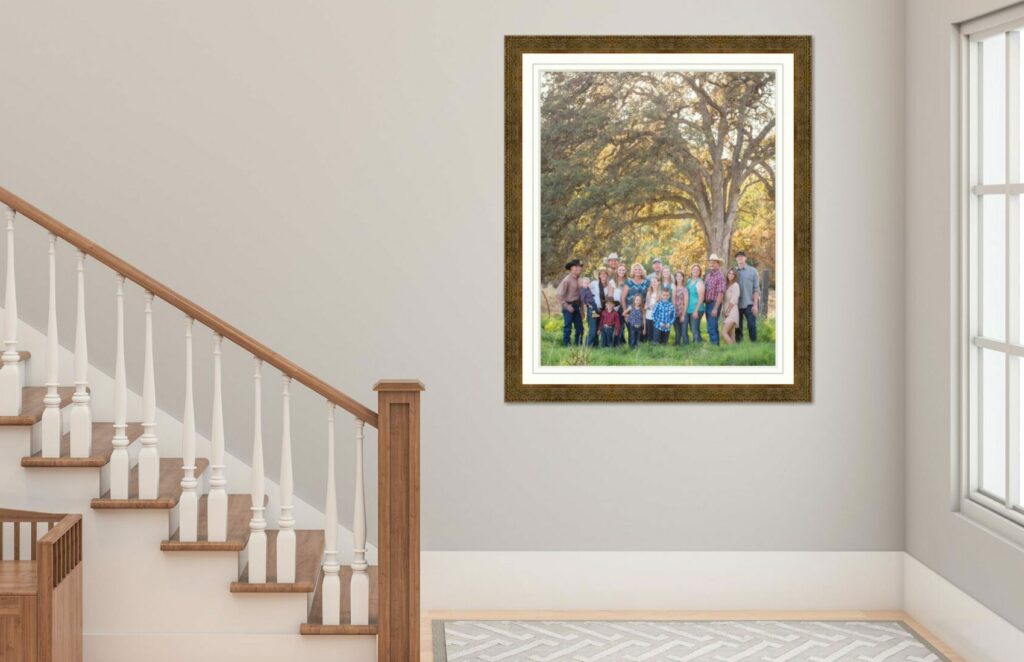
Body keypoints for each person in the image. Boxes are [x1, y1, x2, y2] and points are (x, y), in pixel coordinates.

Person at [734, 251, 761, 343]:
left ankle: (753, 343)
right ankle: (739, 344)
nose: (740, 258)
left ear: (745, 258)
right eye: (738, 257)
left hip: (749, 303)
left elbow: (756, 289)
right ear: (736, 259)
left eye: (742, 256)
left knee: (751, 325)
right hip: (736, 304)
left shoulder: (753, 271)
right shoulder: (733, 271)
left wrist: (755, 305)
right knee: (738, 326)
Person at [556, 258, 584, 346]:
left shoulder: (580, 280)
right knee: (568, 327)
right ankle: (566, 345)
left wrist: (582, 310)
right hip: (568, 306)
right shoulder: (566, 280)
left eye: (579, 267)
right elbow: (559, 294)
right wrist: (567, 306)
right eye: (576, 267)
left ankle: (578, 345)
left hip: (577, 306)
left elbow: (580, 296)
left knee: (580, 328)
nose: (578, 268)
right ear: (571, 268)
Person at [703, 253, 726, 346]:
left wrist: (716, 308)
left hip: (714, 304)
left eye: (714, 263)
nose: (711, 264)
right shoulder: (709, 275)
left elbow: (721, 293)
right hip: (708, 304)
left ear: (718, 264)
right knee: (712, 326)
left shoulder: (719, 276)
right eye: (710, 262)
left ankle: (714, 346)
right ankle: (715, 344)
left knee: (711, 327)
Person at [587, 268, 610, 347]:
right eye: (601, 274)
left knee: (598, 329)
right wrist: (589, 301)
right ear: (599, 276)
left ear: (607, 276)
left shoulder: (608, 286)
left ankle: (595, 347)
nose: (603, 275)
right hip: (594, 310)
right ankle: (587, 346)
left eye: (605, 274)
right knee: (593, 329)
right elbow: (586, 289)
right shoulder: (594, 283)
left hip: (602, 310)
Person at [686, 264, 705, 344]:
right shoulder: (689, 281)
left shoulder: (699, 282)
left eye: (697, 270)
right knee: (693, 328)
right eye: (694, 269)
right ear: (691, 270)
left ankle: (697, 345)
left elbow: (701, 298)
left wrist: (696, 310)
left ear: (700, 272)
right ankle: (698, 342)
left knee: (694, 329)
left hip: (697, 309)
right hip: (689, 309)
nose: (695, 271)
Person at [721, 268, 740, 345]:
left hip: (732, 311)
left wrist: (728, 311)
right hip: (726, 309)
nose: (730, 275)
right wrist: (724, 310)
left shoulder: (735, 285)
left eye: (732, 274)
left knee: (724, 332)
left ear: (735, 276)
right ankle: (735, 352)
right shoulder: (726, 285)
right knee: (731, 334)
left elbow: (734, 300)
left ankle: (732, 348)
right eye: (729, 273)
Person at [612, 264, 629, 345]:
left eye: (623, 270)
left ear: (625, 271)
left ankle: (623, 341)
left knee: (624, 324)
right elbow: (610, 295)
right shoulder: (613, 281)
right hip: (615, 306)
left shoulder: (628, 281)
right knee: (618, 325)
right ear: (617, 271)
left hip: (625, 305)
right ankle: (616, 343)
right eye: (620, 270)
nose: (621, 271)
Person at [579, 276, 597, 346]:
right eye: (585, 283)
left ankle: (592, 344)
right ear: (582, 284)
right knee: (592, 326)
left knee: (593, 322)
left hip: (594, 307)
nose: (586, 284)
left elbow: (589, 296)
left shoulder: (588, 289)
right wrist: (587, 304)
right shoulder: (583, 290)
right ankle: (587, 344)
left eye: (588, 283)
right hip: (591, 307)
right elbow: (582, 299)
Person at [672, 270, 689, 345]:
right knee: (677, 332)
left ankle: (686, 346)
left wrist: (683, 315)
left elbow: (686, 302)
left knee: (684, 331)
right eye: (677, 276)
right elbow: (672, 300)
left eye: (680, 276)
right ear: (675, 278)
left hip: (682, 312)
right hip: (675, 312)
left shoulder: (684, 289)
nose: (678, 277)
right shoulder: (673, 287)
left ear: (683, 278)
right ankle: (677, 346)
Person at [643, 278, 659, 342]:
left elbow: (660, 303)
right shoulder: (648, 292)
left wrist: (652, 306)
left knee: (655, 329)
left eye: (655, 282)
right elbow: (647, 302)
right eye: (652, 282)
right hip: (648, 314)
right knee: (649, 329)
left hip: (656, 314)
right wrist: (646, 306)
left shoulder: (660, 293)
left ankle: (655, 342)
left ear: (658, 283)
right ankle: (649, 342)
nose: (654, 283)